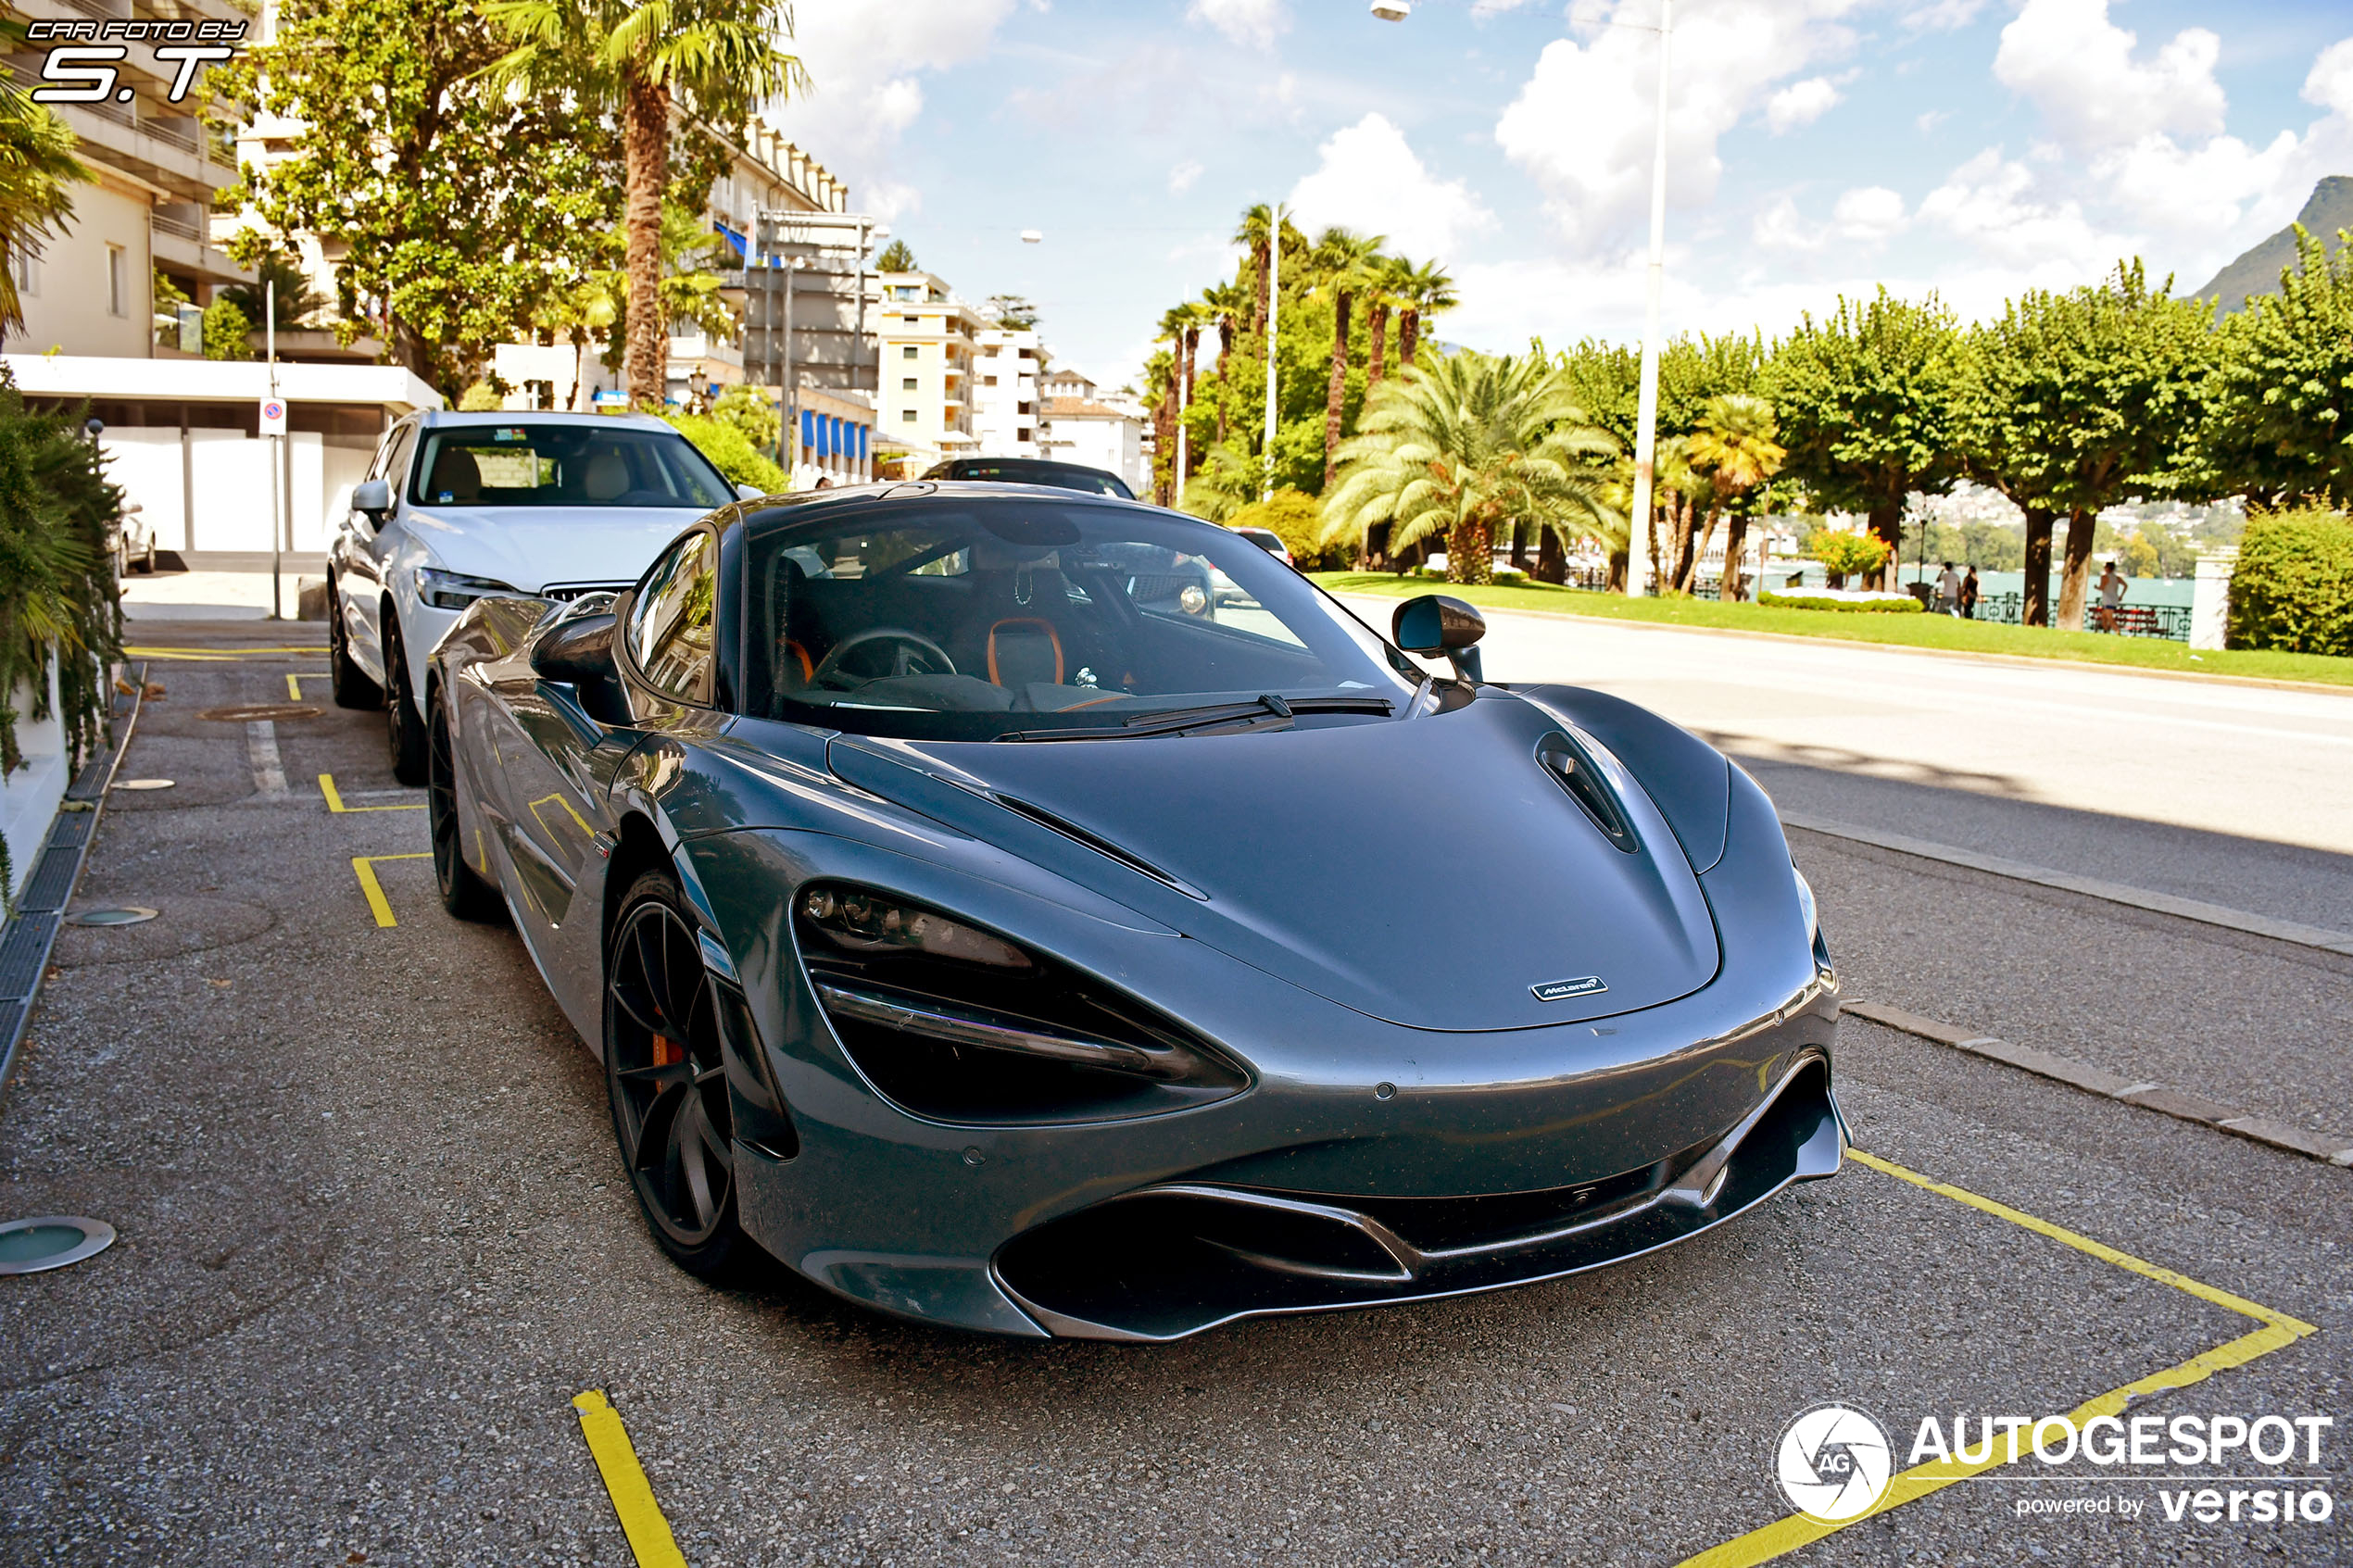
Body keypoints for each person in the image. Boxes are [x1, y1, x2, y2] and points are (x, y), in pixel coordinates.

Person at [2095, 560, 2126, 632]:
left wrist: (2096, 587)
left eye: (2105, 567)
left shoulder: (2104, 577)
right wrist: (2121, 596)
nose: (2104, 568)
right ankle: (2105, 631)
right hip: (2114, 599)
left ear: (2108, 568)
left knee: (2110, 618)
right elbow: (2125, 586)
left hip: (2107, 600)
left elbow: (2102, 588)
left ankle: (2117, 631)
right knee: (2104, 617)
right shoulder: (2117, 578)